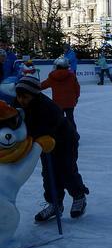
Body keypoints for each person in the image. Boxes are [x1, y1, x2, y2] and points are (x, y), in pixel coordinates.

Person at [14, 76, 89, 221]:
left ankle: (79, 196)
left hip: (64, 142)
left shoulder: (48, 108)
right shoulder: (18, 103)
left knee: (67, 170)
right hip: (44, 144)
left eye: (25, 97)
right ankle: (55, 204)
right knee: (49, 174)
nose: (21, 100)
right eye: (19, 96)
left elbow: (43, 130)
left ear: (34, 95)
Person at [41, 57, 81, 131]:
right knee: (70, 119)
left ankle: (61, 135)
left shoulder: (52, 76)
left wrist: (33, 86)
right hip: (70, 102)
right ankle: (73, 135)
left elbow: (44, 85)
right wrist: (76, 97)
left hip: (57, 102)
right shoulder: (71, 75)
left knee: (59, 120)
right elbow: (77, 87)